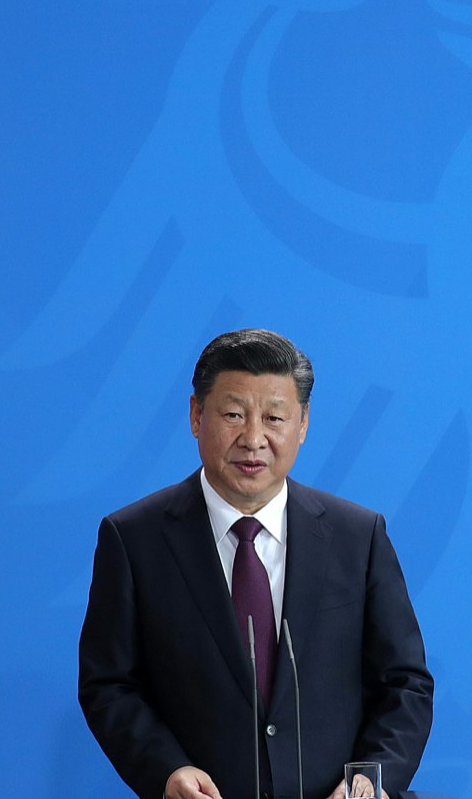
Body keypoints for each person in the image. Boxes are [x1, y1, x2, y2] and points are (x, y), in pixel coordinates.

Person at [79, 329, 434, 799]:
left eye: (274, 417)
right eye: (232, 414)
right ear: (195, 415)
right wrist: (167, 771)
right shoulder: (134, 538)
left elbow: (405, 683)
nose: (253, 439)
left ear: (303, 424)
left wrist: (368, 782)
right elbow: (108, 684)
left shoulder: (358, 536)